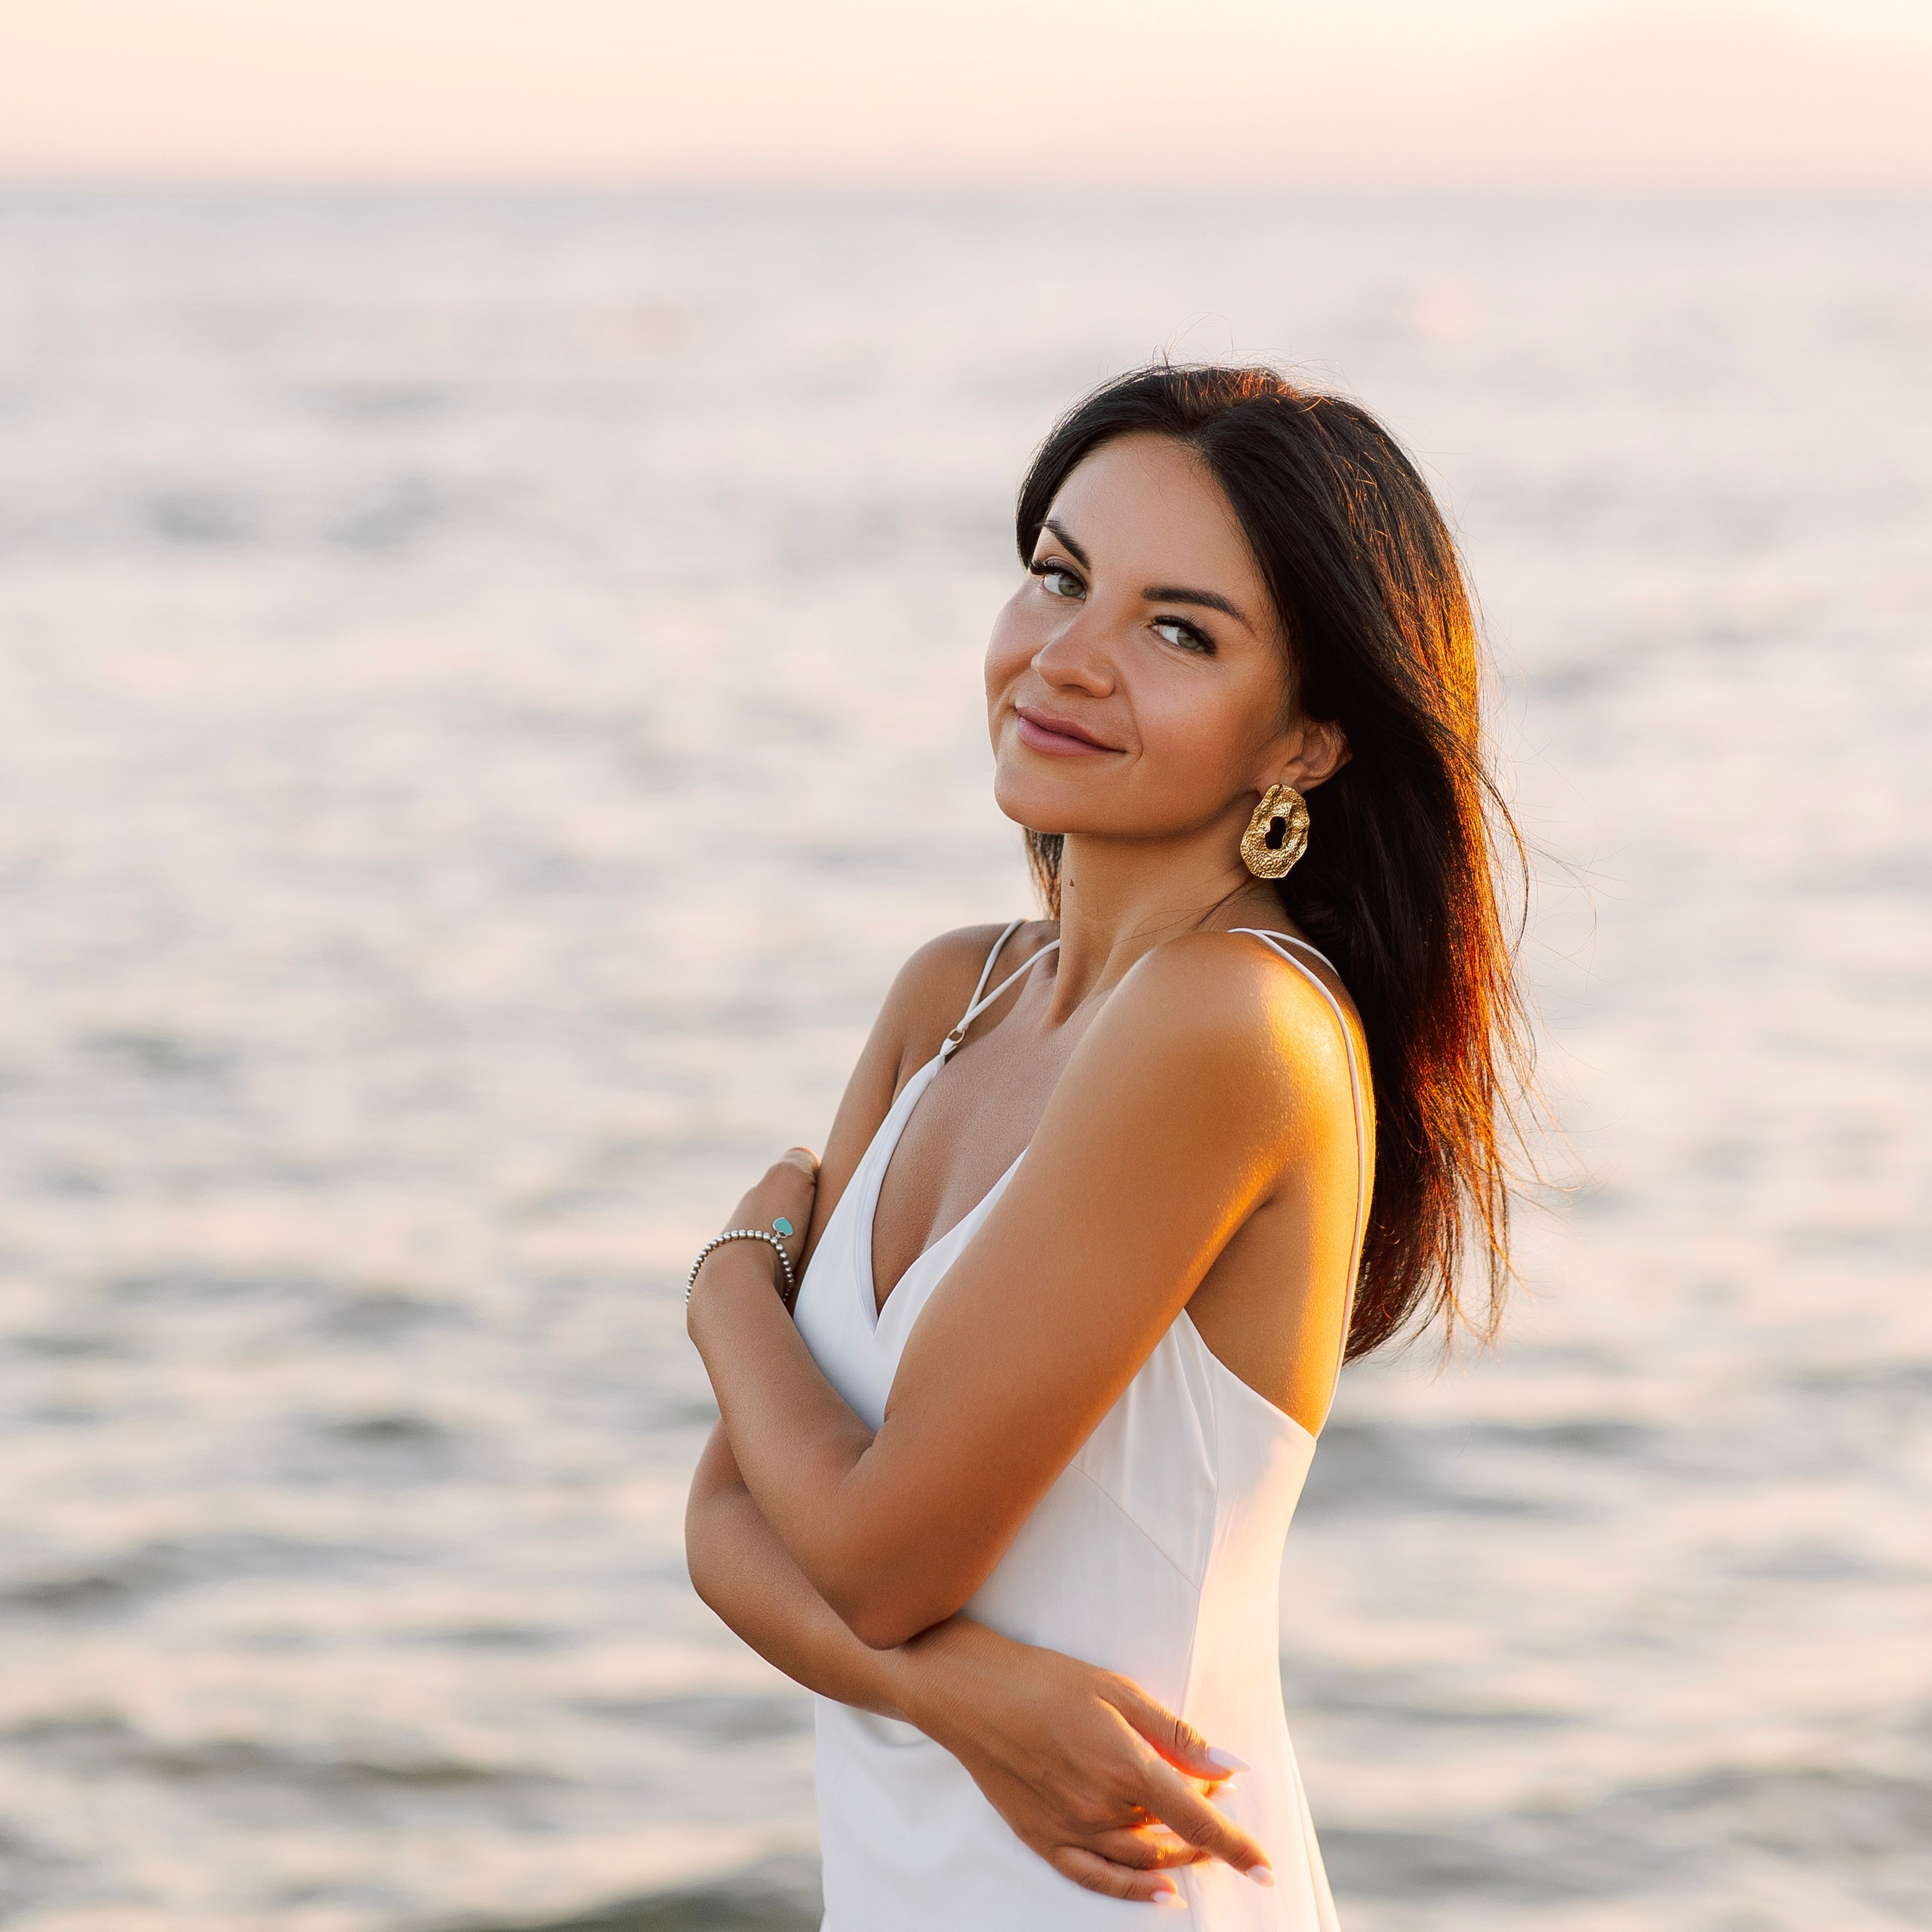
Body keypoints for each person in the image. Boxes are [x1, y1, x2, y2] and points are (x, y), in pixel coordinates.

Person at [682, 364, 1530, 1927]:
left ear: (1308, 740)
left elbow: (864, 1561)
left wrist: (726, 1286)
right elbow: (725, 1530)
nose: (1064, 658)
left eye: (1178, 630)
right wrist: (963, 1701)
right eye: (1060, 578)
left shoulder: (1230, 1021)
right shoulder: (952, 992)